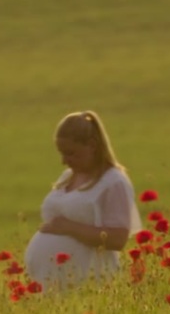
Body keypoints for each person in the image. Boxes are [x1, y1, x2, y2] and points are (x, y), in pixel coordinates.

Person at [24, 110, 142, 289]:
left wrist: (68, 227)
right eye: (61, 153)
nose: (64, 160)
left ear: (92, 145)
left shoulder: (113, 181)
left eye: (71, 153)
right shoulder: (67, 177)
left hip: (86, 281)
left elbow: (118, 238)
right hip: (49, 284)